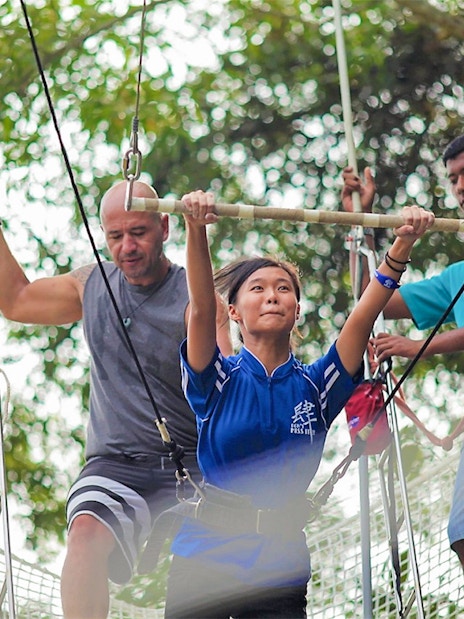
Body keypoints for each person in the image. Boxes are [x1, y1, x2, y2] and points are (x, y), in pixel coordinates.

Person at [159, 189, 433, 618]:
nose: (272, 296)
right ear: (233, 311)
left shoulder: (317, 384)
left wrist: (402, 244)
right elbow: (199, 310)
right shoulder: (218, 378)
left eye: (283, 289)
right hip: (205, 557)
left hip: (278, 565)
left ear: (297, 308)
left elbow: (362, 316)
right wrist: (197, 229)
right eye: (258, 289)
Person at [0, 179, 231, 619]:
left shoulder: (198, 301)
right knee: (84, 534)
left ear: (164, 226)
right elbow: (15, 301)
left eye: (138, 232)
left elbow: (225, 384)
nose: (127, 246)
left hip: (194, 465)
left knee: (212, 582)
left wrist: (199, 229)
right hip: (116, 464)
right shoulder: (91, 284)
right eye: (115, 236)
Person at [341, 134, 464, 570]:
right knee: (463, 535)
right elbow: (371, 298)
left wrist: (418, 347)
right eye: (453, 178)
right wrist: (365, 223)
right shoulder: (457, 277)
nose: (460, 186)